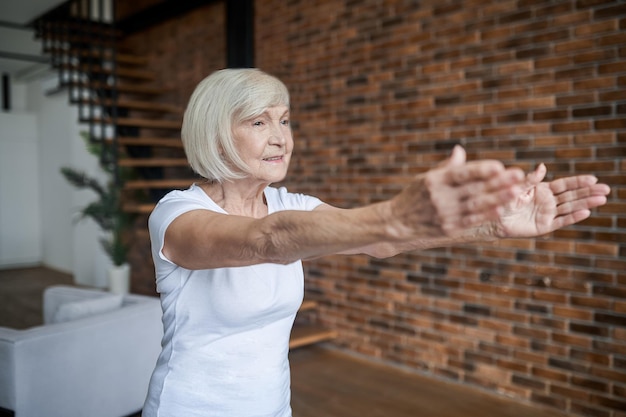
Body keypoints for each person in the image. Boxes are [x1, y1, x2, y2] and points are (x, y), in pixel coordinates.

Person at [142, 68, 610, 417]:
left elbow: (380, 242)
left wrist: (490, 226)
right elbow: (268, 240)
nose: (281, 138)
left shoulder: (294, 203)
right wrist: (391, 214)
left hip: (271, 407)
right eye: (259, 123)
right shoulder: (177, 214)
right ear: (217, 134)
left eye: (284, 121)